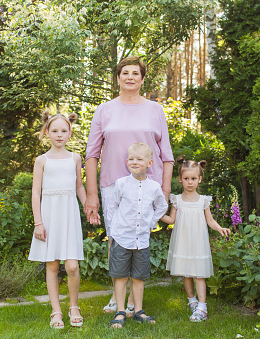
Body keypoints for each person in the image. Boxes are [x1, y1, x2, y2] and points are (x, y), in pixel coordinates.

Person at [84, 56, 174, 315]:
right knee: (116, 239)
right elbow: (92, 154)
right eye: (125, 72)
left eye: (136, 73)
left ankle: (135, 300)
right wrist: (92, 194)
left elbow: (166, 155)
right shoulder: (104, 110)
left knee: (139, 237)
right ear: (118, 77)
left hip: (148, 185)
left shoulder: (155, 110)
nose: (130, 77)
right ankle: (117, 298)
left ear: (143, 79)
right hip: (113, 183)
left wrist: (164, 192)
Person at [28, 111, 97, 329]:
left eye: (64, 131)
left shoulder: (75, 158)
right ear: (47, 132)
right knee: (52, 263)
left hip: (69, 215)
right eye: (55, 130)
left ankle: (74, 306)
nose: (59, 135)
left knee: (72, 265)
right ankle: (56, 311)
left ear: (70, 133)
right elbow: (35, 193)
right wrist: (38, 223)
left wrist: (89, 208)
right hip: (48, 216)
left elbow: (78, 186)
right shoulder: (42, 160)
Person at [160, 156, 231, 322]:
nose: (189, 182)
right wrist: (157, 215)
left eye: (193, 178)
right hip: (183, 241)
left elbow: (210, 221)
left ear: (199, 179)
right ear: (180, 179)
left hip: (198, 241)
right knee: (186, 273)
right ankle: (192, 301)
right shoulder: (176, 200)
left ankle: (202, 307)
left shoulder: (203, 201)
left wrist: (220, 228)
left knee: (199, 274)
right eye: (186, 179)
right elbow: (171, 220)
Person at [106, 143, 169, 328]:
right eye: (131, 159)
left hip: (141, 240)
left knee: (138, 277)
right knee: (120, 276)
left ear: (149, 163)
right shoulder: (121, 184)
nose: (134, 162)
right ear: (127, 162)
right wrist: (113, 230)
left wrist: (151, 223)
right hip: (121, 238)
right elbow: (112, 207)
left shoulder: (154, 187)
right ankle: (120, 311)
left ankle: (138, 311)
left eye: (139, 159)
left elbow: (162, 207)